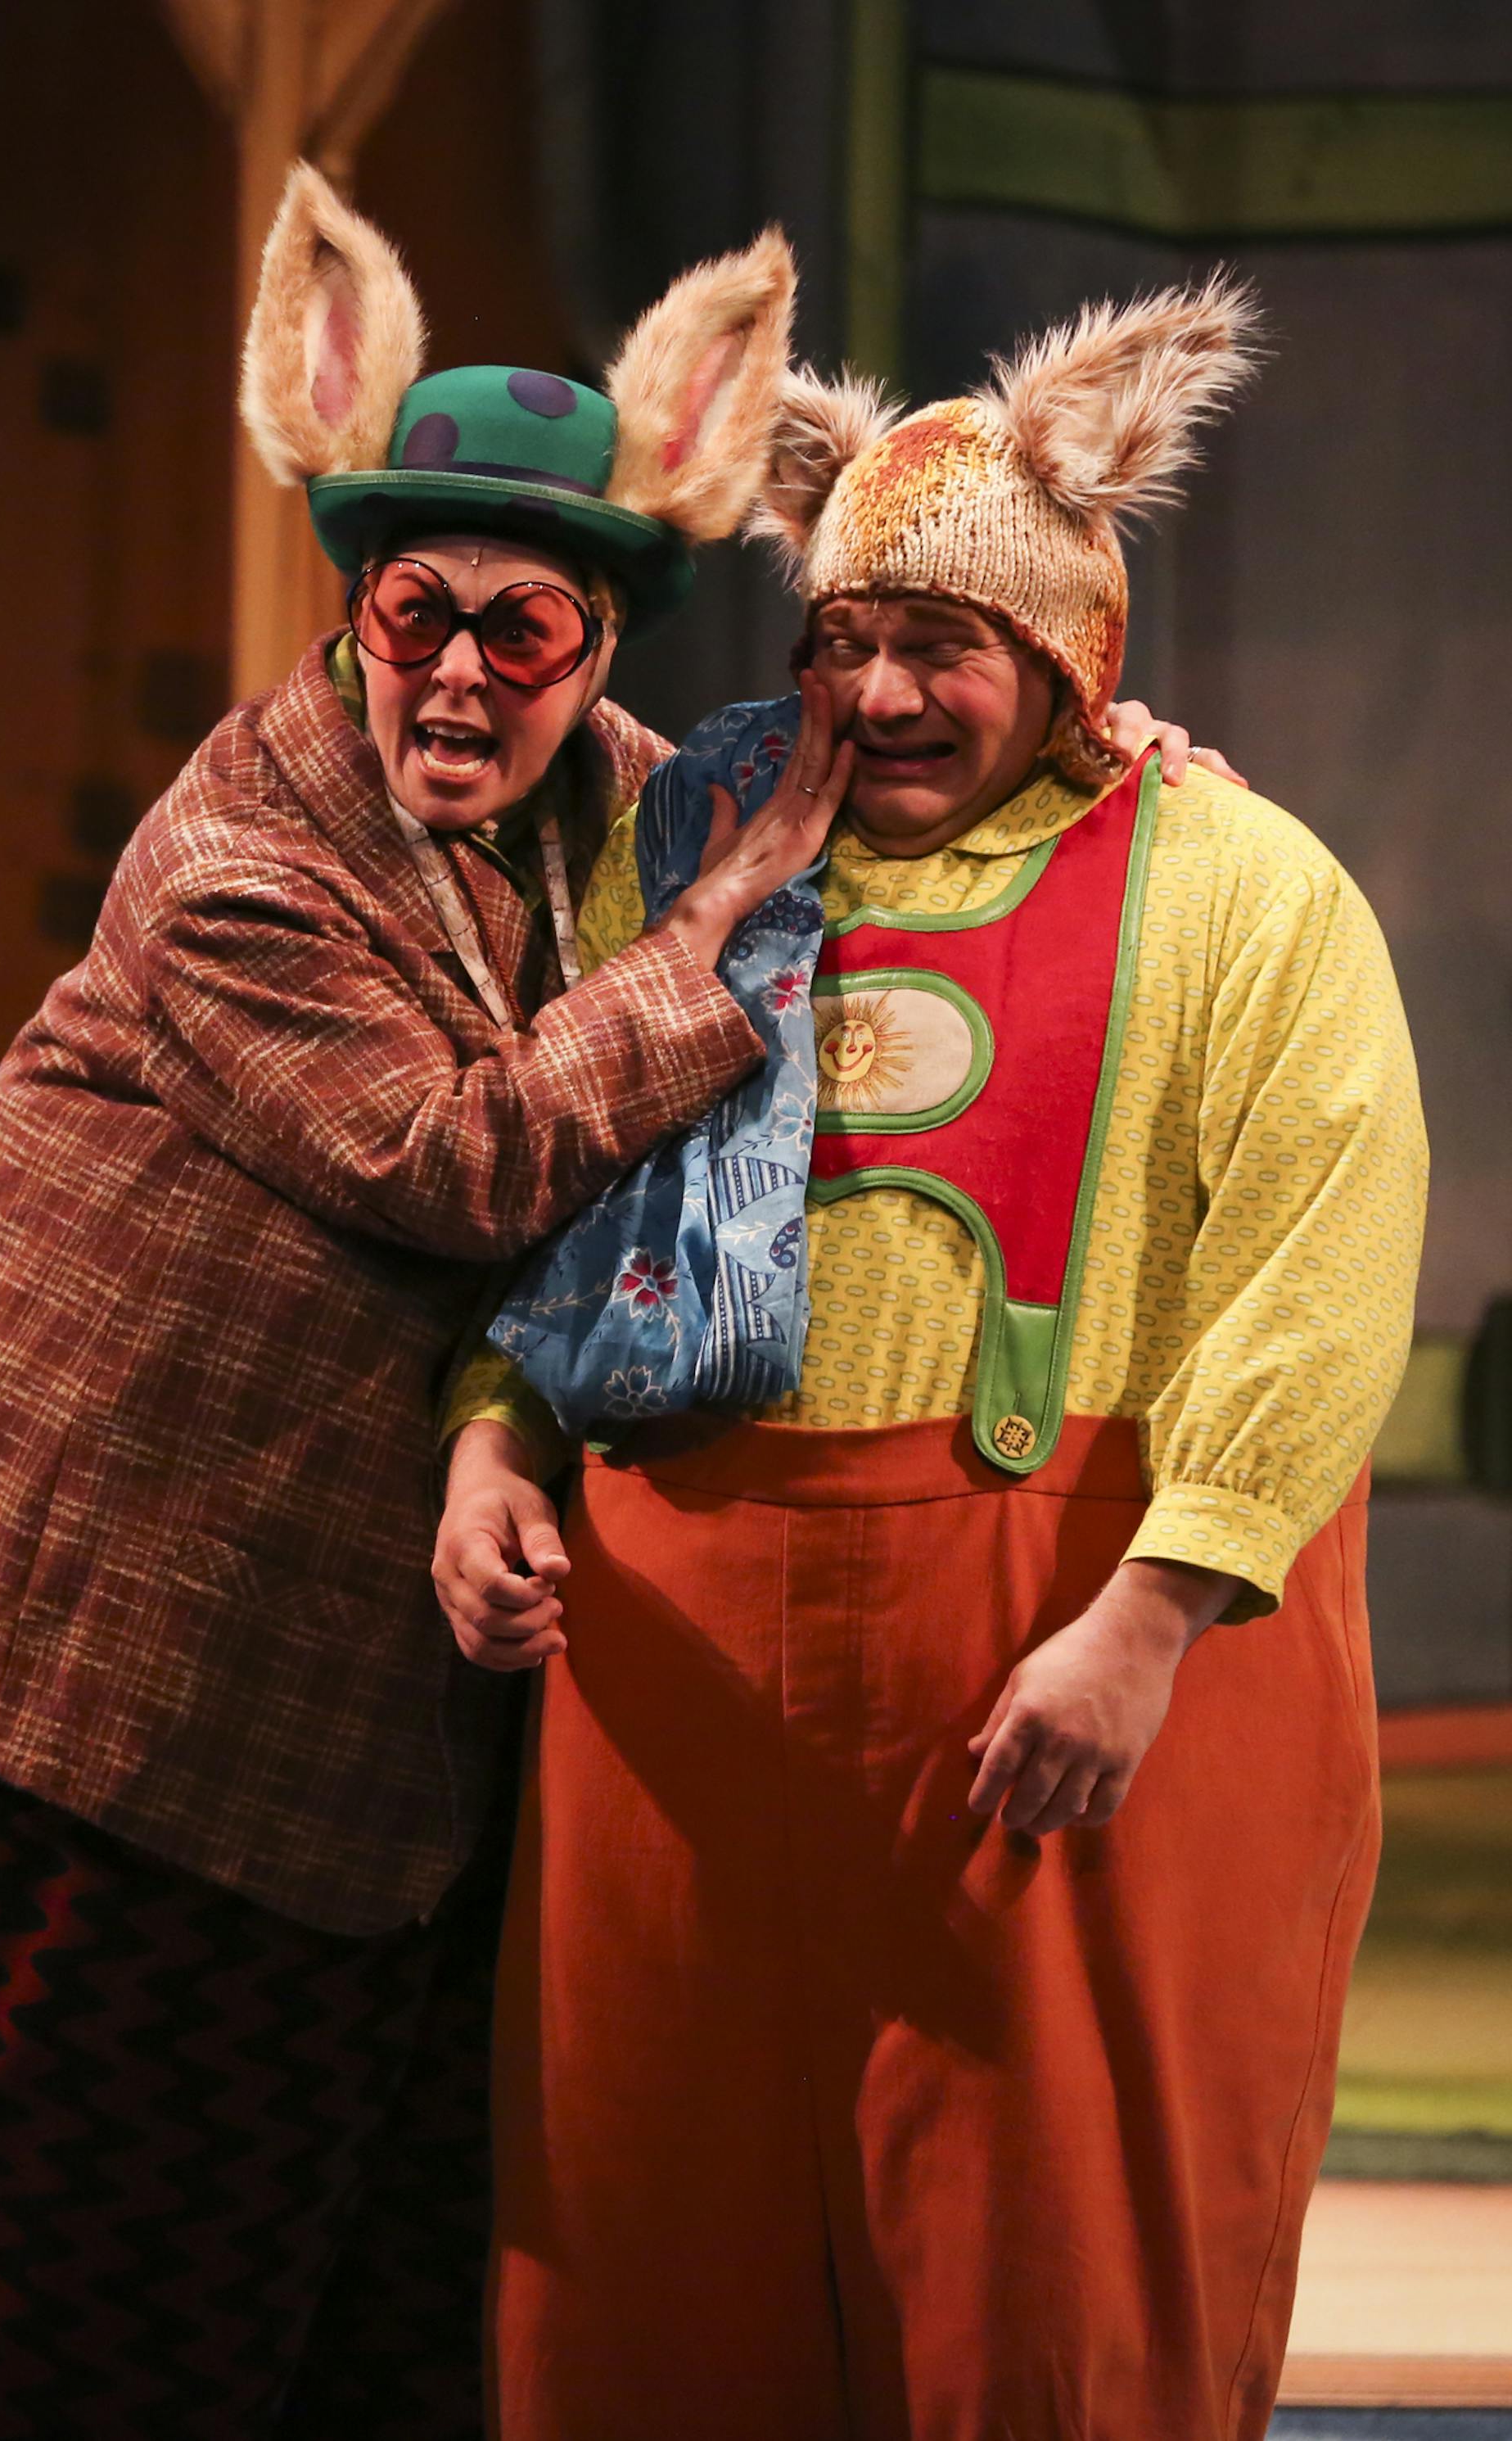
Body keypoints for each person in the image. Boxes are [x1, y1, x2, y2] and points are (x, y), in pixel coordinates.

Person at [0, 167, 823, 2441]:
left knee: (361, 2348)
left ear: (601, 648)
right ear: (354, 615)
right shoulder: (242, 868)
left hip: (380, 1783)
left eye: (524, 629)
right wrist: (708, 962)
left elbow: (858, 820)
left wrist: (1114, 776)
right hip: (132, 1739)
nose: (464, 675)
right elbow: (458, 1150)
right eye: (419, 616)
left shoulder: (610, 806)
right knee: (70, 2349)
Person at [436, 278, 1428, 2441]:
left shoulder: (1242, 892)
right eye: (844, 639)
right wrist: (495, 1446)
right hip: (678, 1657)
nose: (877, 690)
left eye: (943, 646)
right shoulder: (697, 857)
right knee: (647, 2234)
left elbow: (1322, 1267)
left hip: (1055, 1645)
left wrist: (1155, 1614)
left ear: (1067, 665)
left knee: (1046, 2264)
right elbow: (569, 1182)